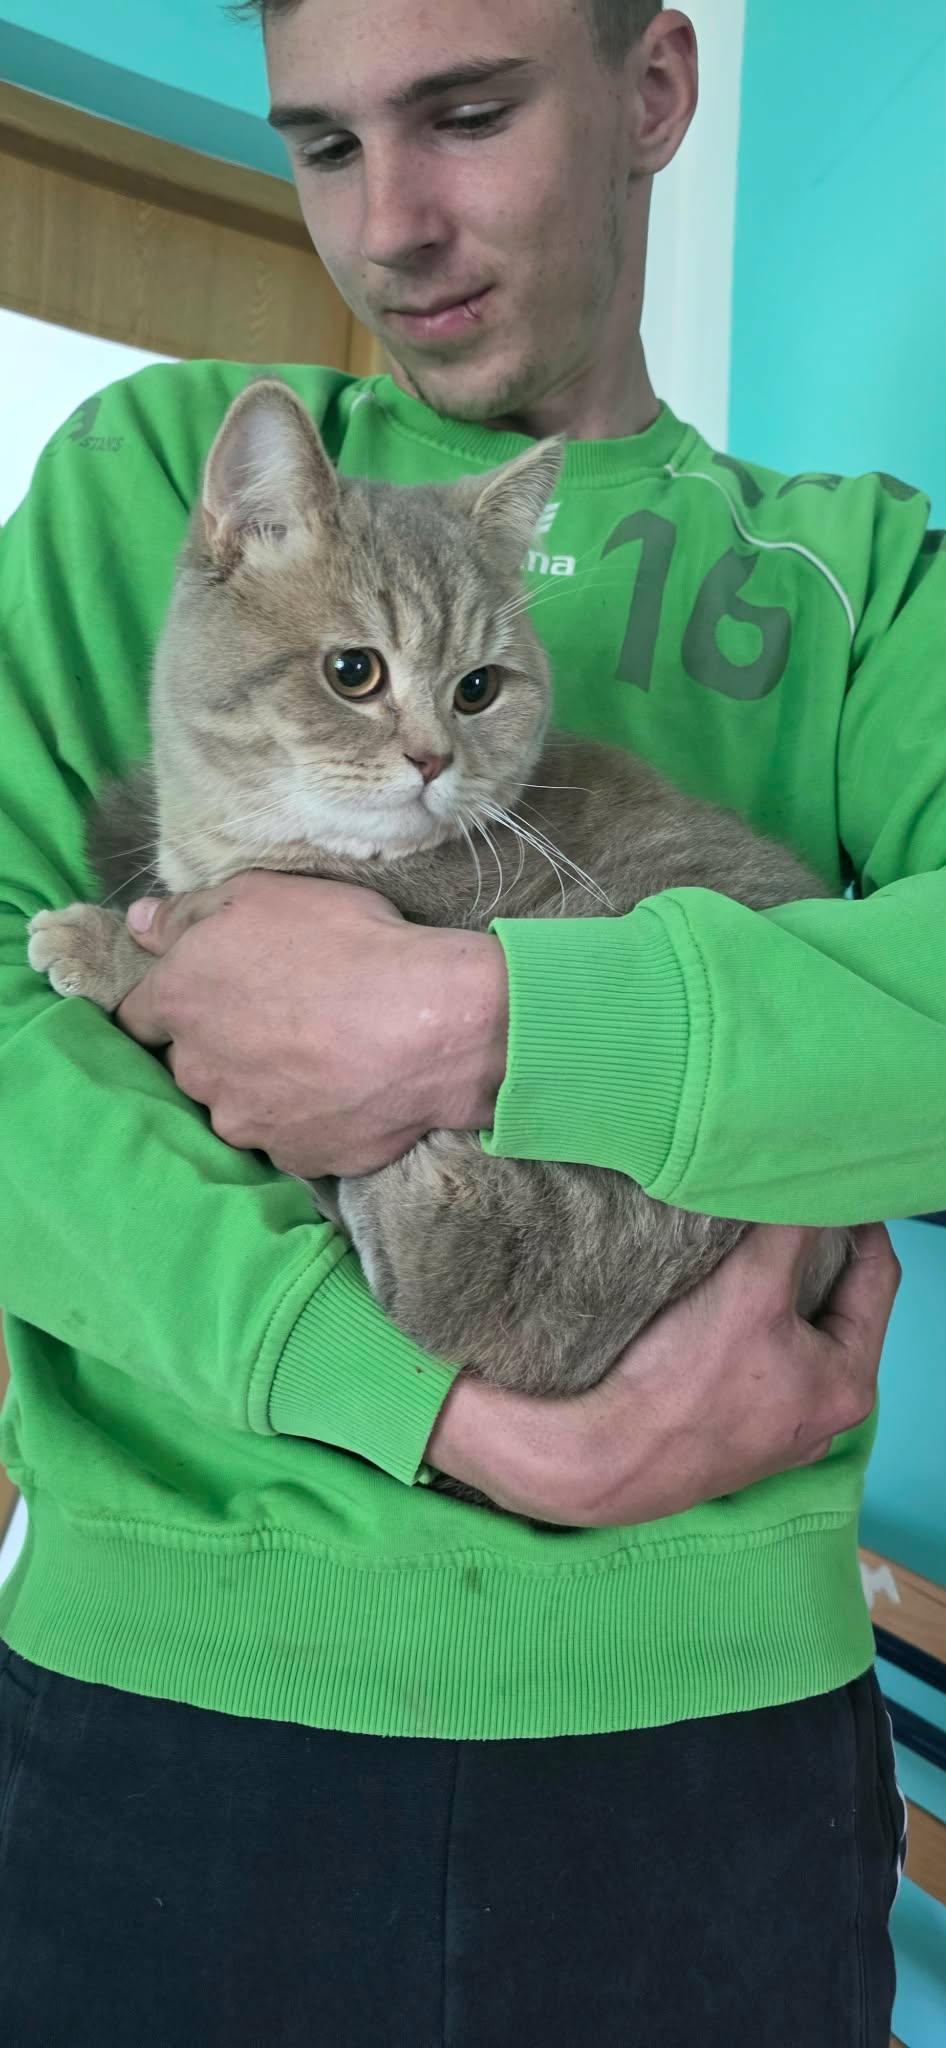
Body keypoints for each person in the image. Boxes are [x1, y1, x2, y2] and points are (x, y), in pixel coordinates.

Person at [0, 1, 939, 2040]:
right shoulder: (149, 475)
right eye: (324, 145)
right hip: (171, 1683)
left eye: (469, 112)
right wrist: (436, 1411)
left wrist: (473, 1019)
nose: (391, 222)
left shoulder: (862, 569)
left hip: (706, 1716)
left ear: (653, 90)